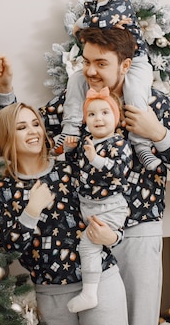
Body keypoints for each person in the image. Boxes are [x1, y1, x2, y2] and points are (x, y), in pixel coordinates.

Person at [0, 26, 170, 325]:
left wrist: (157, 132)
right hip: (89, 234)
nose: (90, 71)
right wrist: (5, 91)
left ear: (125, 65)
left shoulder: (154, 104)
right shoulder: (74, 102)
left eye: (101, 63)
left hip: (137, 232)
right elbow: (25, 130)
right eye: (86, 62)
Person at [0, 102, 128, 325]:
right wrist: (31, 210)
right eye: (21, 127)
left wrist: (113, 237)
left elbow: (109, 203)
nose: (33, 131)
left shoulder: (70, 170)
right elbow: (8, 251)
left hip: (101, 282)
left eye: (36, 124)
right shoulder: (3, 192)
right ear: (6, 137)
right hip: (52, 295)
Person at [56, 0, 161, 171]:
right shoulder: (93, 7)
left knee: (134, 94)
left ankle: (141, 145)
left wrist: (81, 23)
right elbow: (88, 38)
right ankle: (70, 129)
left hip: (137, 61)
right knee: (75, 80)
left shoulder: (121, 3)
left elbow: (99, 23)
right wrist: (83, 27)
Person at [62, 87, 132, 313]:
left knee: (88, 245)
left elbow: (119, 171)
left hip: (110, 207)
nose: (98, 118)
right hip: (89, 206)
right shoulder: (86, 142)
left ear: (116, 118)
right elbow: (76, 169)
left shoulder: (118, 144)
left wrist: (96, 159)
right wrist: (71, 150)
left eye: (105, 113)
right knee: (87, 244)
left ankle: (90, 293)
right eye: (91, 114)